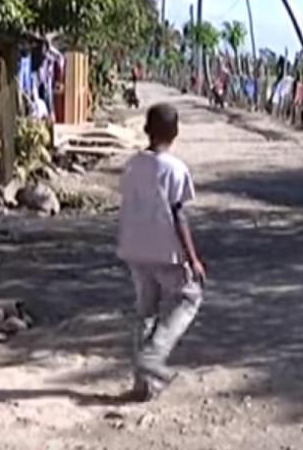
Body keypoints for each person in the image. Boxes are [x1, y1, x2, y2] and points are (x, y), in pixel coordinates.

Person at [117, 103, 205, 402]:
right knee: (189, 297)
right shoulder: (175, 169)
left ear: (146, 130)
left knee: (145, 312)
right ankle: (153, 357)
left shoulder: (132, 164)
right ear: (176, 132)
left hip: (133, 248)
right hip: (165, 251)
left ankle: (142, 384)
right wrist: (192, 258)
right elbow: (178, 214)